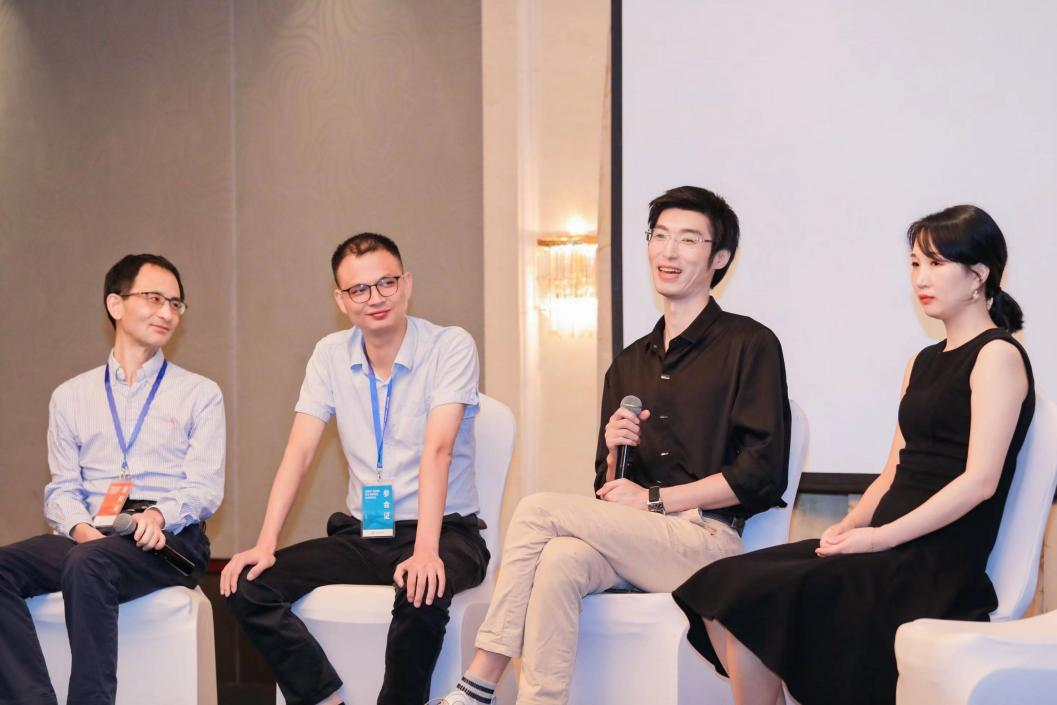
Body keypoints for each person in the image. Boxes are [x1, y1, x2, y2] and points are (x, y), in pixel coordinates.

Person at [437, 185, 791, 705]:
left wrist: (654, 500)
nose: (669, 251)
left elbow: (761, 473)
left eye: (688, 240)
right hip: (636, 541)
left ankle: (478, 682)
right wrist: (611, 457)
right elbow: (608, 495)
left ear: (719, 258)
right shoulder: (628, 364)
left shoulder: (750, 344)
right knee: (559, 558)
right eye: (660, 236)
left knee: (536, 510)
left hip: (706, 543)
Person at [672, 204, 1034, 705]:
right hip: (883, 542)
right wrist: (851, 525)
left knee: (757, 600)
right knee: (720, 587)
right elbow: (894, 470)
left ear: (978, 275)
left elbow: (980, 482)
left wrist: (878, 538)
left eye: (935, 263)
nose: (921, 278)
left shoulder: (998, 356)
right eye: (915, 263)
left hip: (934, 563)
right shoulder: (922, 362)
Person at [221, 233, 489, 705]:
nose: (375, 298)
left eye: (386, 283)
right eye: (359, 290)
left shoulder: (450, 345)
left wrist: (426, 551)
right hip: (367, 534)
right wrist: (265, 543)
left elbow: (438, 450)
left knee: (422, 587)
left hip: (445, 533)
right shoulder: (329, 354)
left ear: (407, 283)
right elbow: (299, 452)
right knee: (248, 586)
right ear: (341, 300)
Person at [0, 254, 225, 705]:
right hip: (92, 534)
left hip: (168, 540)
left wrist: (158, 516)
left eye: (176, 304)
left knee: (89, 563)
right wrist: (82, 528)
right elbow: (62, 488)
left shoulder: (200, 393)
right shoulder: (71, 396)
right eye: (154, 298)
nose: (167, 312)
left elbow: (203, 487)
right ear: (115, 304)